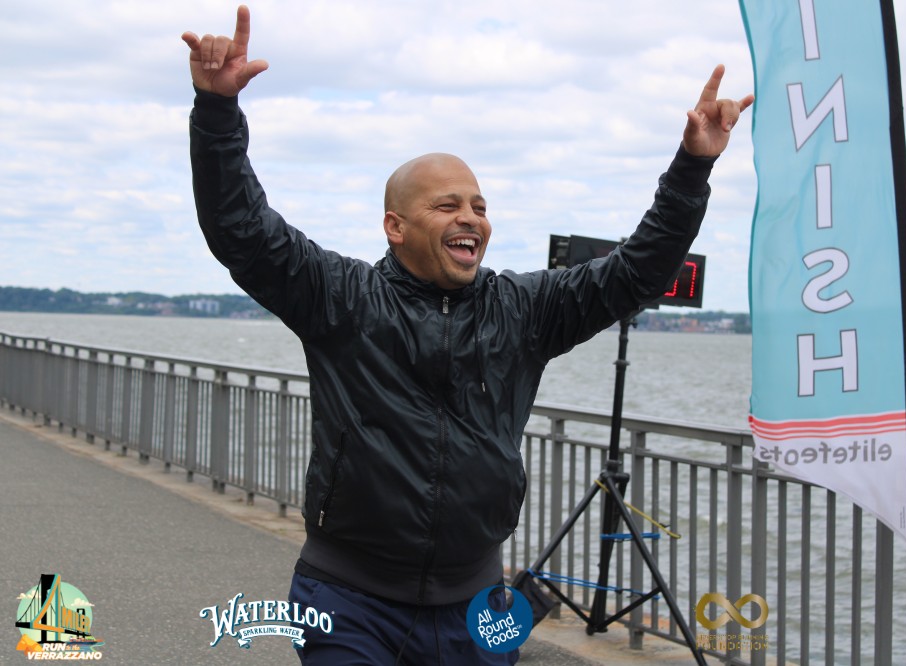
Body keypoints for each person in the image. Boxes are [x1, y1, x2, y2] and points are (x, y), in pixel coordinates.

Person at [183, 6, 752, 664]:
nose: (471, 218)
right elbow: (243, 231)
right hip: (348, 597)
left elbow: (636, 272)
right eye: (447, 204)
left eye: (479, 206)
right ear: (395, 226)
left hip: (479, 603)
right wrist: (216, 112)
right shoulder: (340, 298)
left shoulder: (524, 310)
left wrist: (691, 167)